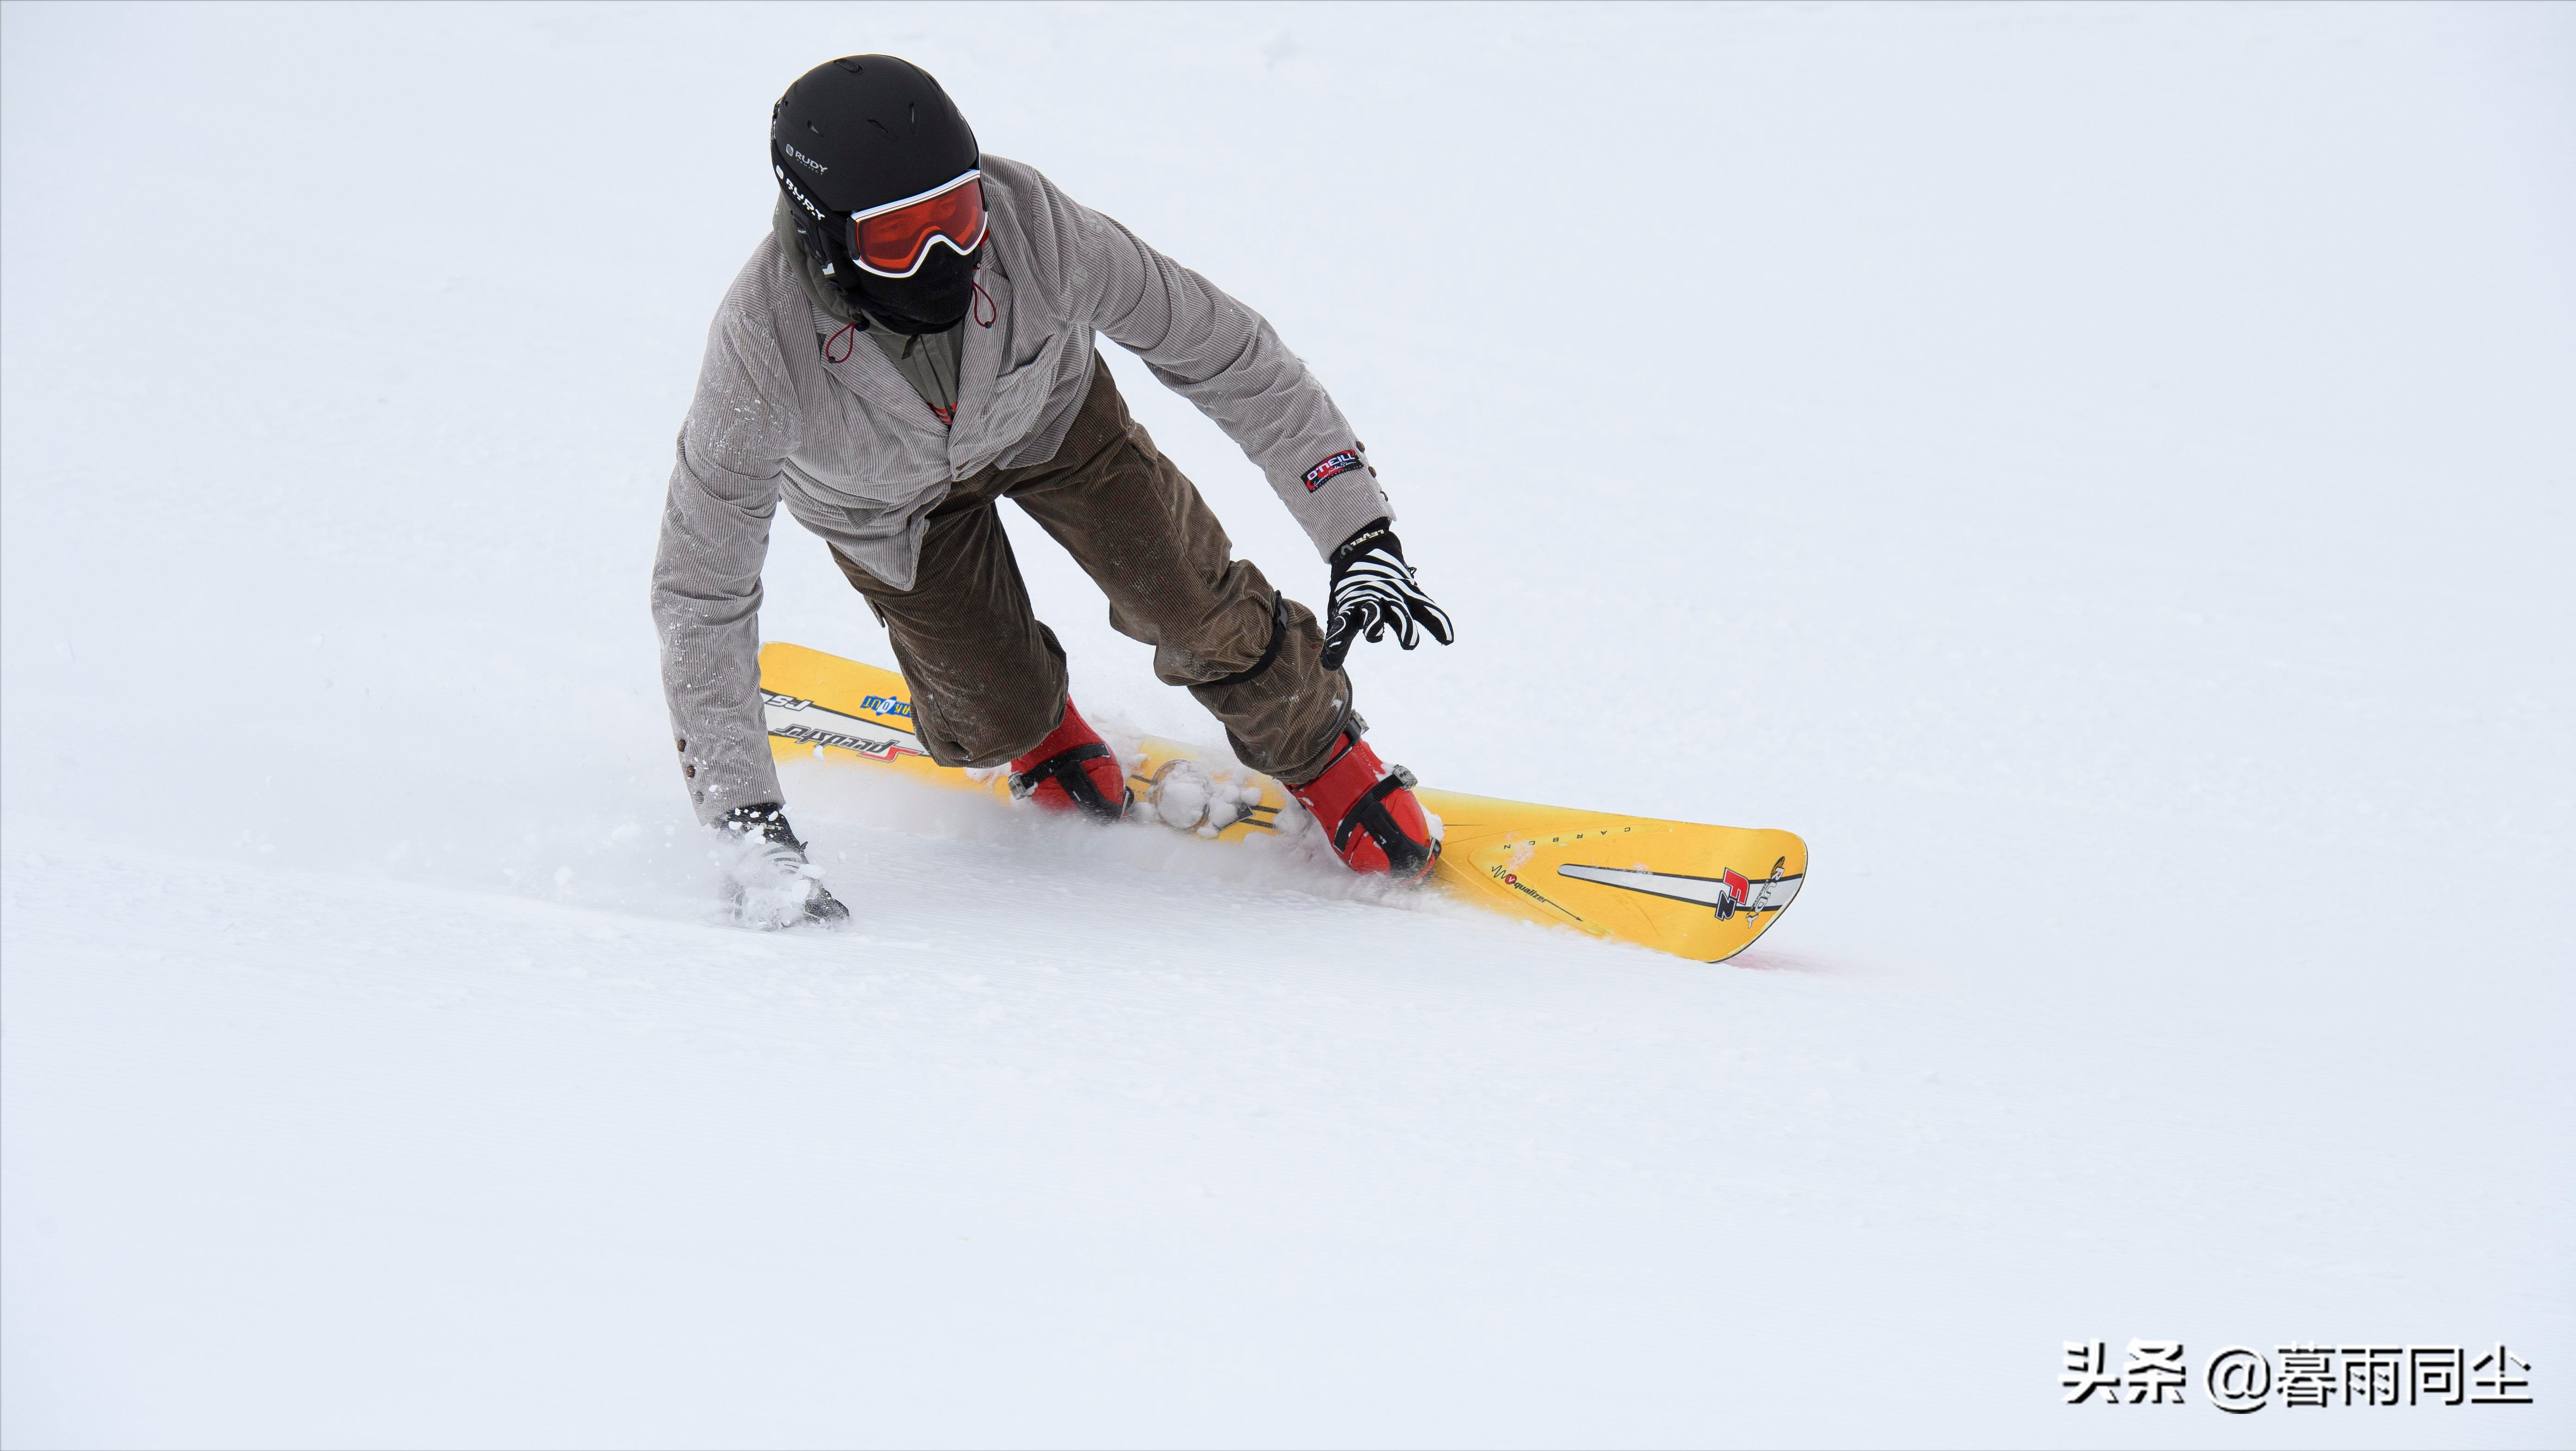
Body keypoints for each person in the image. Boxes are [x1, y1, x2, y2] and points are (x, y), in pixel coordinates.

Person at [652, 55, 1456, 927]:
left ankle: (1318, 744)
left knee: (1187, 599)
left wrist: (1358, 532)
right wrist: (747, 825)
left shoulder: (1036, 227)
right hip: (886, 509)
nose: (945, 255)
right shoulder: (760, 346)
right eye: (897, 239)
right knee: (991, 716)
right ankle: (1037, 721)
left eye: (957, 216)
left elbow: (1229, 353)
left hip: (1054, 424)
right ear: (824, 236)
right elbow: (701, 590)